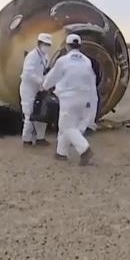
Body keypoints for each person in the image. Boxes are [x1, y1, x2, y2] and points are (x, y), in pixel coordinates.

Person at [42, 34, 96, 165]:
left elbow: (52, 77)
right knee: (68, 125)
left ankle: (84, 149)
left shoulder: (63, 61)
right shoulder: (87, 61)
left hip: (69, 99)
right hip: (84, 98)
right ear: (79, 46)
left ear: (67, 46)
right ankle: (61, 153)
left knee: (67, 126)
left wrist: (44, 86)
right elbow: (92, 81)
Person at [19, 33, 52, 146]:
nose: (47, 47)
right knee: (29, 114)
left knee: (42, 113)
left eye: (48, 45)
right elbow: (28, 73)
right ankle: (26, 139)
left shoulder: (46, 56)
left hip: (40, 89)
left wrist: (46, 82)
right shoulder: (32, 56)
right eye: (45, 44)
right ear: (39, 43)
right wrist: (41, 81)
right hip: (28, 89)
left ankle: (40, 138)